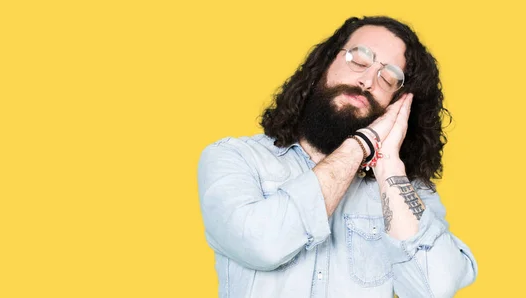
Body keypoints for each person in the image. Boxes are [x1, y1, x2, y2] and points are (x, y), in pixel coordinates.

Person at [197, 16, 477, 297]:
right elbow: (264, 244)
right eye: (359, 59)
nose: (368, 81)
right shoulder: (235, 158)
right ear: (325, 63)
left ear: (398, 102)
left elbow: (434, 288)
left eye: (389, 77)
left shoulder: (403, 190)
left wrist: (388, 163)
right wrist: (362, 144)